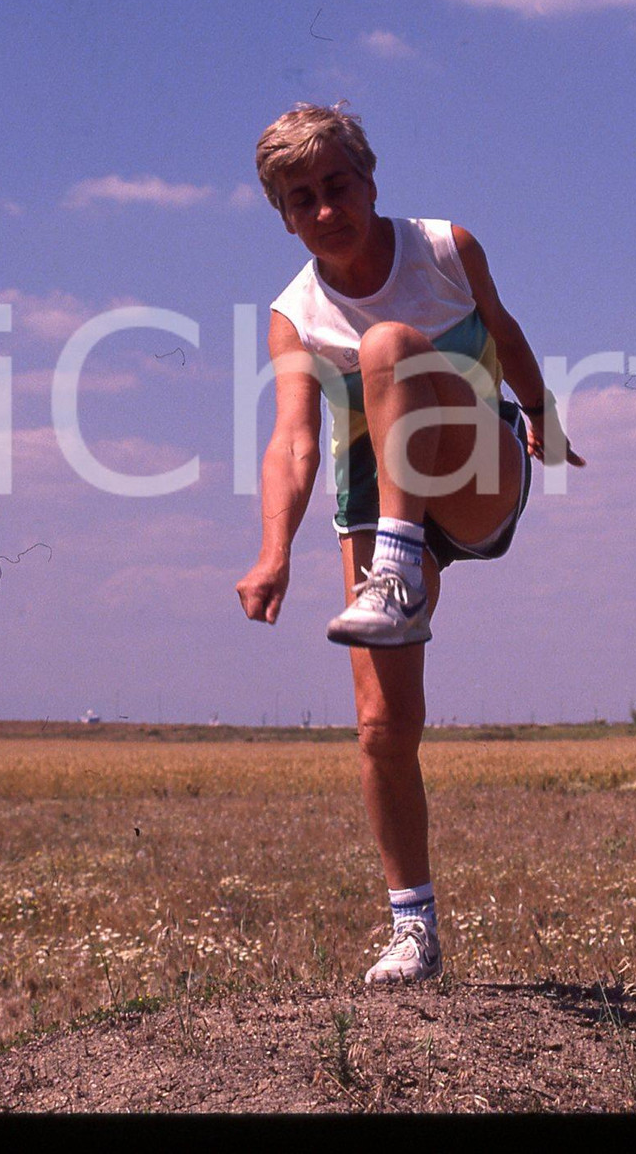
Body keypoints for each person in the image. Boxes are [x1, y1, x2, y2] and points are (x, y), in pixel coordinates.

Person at [236, 103, 584, 986]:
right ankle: (413, 930)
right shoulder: (294, 314)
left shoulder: (444, 248)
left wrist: (541, 415)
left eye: (337, 185)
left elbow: (504, 333)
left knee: (389, 343)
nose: (325, 209)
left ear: (369, 179)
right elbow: (294, 441)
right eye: (302, 199)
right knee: (383, 727)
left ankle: (395, 571)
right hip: (371, 490)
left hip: (471, 463)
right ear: (283, 215)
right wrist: (274, 551)